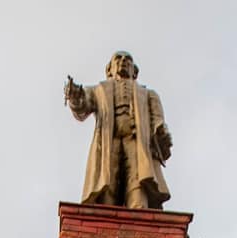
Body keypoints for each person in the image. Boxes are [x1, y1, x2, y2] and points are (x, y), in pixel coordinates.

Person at [63, 51, 173, 209]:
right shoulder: (99, 90)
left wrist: (161, 133)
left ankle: (139, 213)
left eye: (128, 59)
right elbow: (83, 104)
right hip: (109, 139)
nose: (123, 61)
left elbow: (157, 119)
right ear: (109, 69)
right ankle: (107, 215)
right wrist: (75, 96)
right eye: (118, 58)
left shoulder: (148, 94)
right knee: (108, 178)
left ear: (134, 71)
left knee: (137, 179)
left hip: (136, 140)